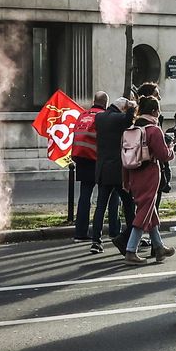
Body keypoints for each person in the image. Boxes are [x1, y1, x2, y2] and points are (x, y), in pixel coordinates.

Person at [120, 96, 174, 265]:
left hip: (133, 173)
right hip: (149, 173)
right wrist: (171, 147)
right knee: (145, 211)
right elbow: (163, 155)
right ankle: (131, 250)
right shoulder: (154, 130)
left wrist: (126, 179)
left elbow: (125, 156)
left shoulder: (131, 129)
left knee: (148, 209)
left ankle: (159, 247)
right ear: (154, 111)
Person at [90, 96, 135, 253]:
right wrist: (132, 106)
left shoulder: (100, 117)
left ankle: (96, 240)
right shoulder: (119, 118)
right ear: (122, 108)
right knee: (129, 204)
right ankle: (132, 236)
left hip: (102, 168)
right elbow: (129, 119)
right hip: (117, 170)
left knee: (100, 206)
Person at [69, 92, 106, 240]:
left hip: (81, 157)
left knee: (84, 196)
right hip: (95, 159)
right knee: (103, 197)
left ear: (94, 101)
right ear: (105, 103)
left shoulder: (83, 115)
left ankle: (80, 232)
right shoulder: (103, 116)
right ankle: (98, 233)